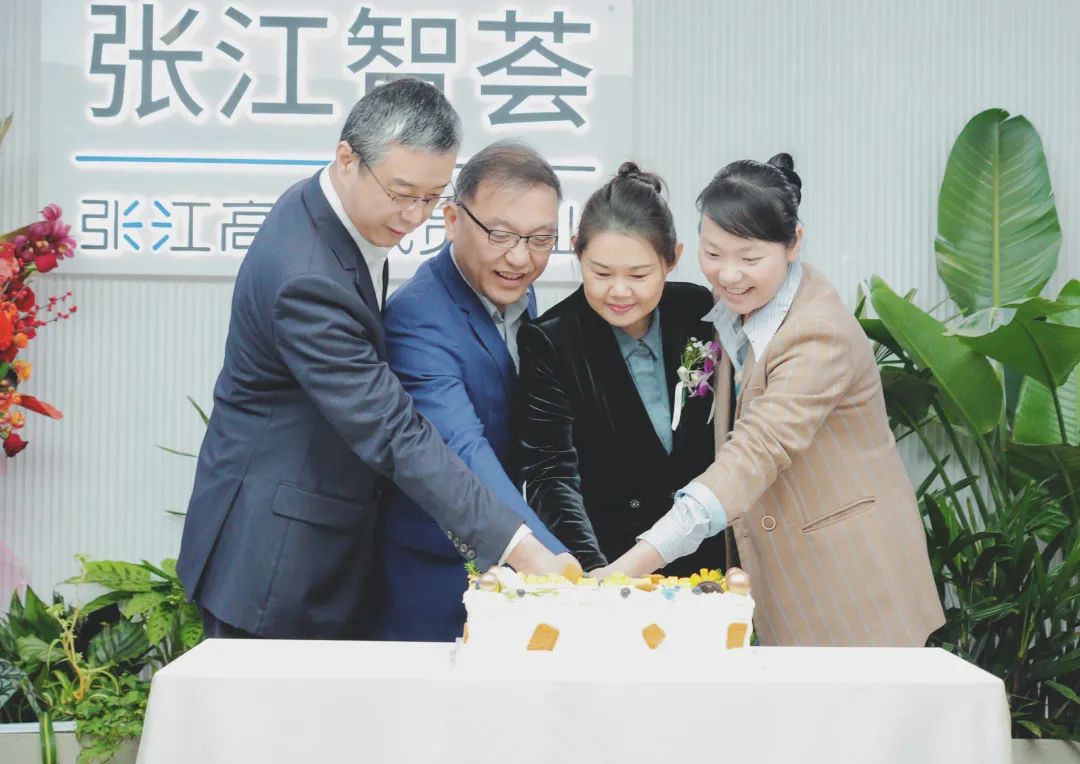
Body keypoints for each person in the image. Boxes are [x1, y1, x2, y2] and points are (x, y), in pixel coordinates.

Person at [176, 80, 576, 640]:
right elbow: (393, 430)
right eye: (401, 193)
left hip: (316, 535)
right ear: (347, 158)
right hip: (274, 557)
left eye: (430, 197)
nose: (414, 216)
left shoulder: (328, 214)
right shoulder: (307, 278)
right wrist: (522, 548)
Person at [599, 154, 945, 647]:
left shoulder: (817, 334)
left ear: (793, 243)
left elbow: (756, 451)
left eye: (749, 258)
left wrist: (637, 561)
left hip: (854, 584)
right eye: (713, 253)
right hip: (784, 580)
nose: (728, 275)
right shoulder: (732, 311)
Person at [375, 141, 569, 642]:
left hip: (510, 576)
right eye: (500, 235)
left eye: (541, 239)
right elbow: (462, 449)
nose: (520, 258)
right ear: (453, 220)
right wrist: (553, 559)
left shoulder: (515, 290)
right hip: (434, 578)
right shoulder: (417, 317)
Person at [515, 162, 726, 576]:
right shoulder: (551, 341)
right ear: (577, 252)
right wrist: (594, 574)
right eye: (601, 273)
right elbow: (551, 474)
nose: (619, 291)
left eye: (639, 274)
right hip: (609, 561)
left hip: (707, 557)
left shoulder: (697, 310)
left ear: (672, 259)